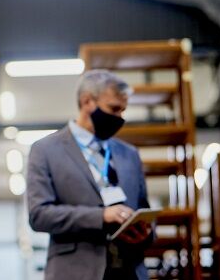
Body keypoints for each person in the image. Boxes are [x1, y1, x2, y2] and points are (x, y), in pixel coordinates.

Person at [26, 69, 153, 280]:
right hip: (75, 271)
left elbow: (143, 208)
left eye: (123, 110)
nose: (119, 118)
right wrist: (101, 216)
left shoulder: (129, 154)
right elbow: (39, 215)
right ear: (87, 102)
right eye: (113, 109)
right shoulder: (46, 150)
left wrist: (146, 233)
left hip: (130, 271)